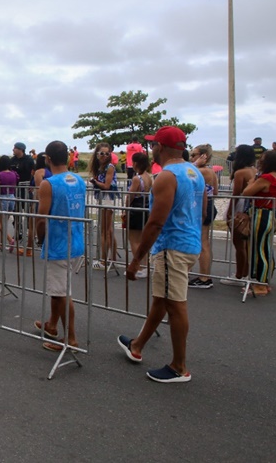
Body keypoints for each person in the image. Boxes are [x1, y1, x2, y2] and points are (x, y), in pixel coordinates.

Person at [119, 126, 205, 383]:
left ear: (163, 147)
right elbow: (198, 212)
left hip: (172, 247)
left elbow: (155, 222)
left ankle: (179, 366)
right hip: (189, 244)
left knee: (175, 305)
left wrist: (136, 260)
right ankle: (137, 345)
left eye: (154, 144)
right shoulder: (194, 173)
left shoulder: (166, 177)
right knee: (162, 299)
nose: (151, 149)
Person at [34, 141, 85, 351]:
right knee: (59, 290)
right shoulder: (80, 180)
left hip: (59, 244)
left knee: (62, 293)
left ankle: (71, 339)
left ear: (48, 159)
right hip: (77, 242)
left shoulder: (49, 184)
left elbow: (40, 218)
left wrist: (39, 238)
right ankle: (52, 325)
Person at [242, 150, 276, 296]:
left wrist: (251, 181)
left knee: (258, 250)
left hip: (261, 214)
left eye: (263, 159)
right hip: (272, 215)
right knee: (266, 249)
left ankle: (260, 285)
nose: (260, 161)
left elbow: (246, 192)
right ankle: (265, 282)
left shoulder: (265, 178)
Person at [221, 145, 257, 285]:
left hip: (240, 207)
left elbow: (235, 195)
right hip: (250, 207)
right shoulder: (254, 170)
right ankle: (244, 273)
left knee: (238, 243)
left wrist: (230, 211)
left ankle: (239, 275)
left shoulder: (240, 173)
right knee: (245, 242)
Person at [188, 144, 218, 288]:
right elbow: (216, 192)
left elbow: (185, 175)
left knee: (203, 242)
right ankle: (204, 275)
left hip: (202, 207)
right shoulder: (210, 172)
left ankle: (205, 277)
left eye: (194, 155)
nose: (191, 158)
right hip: (206, 205)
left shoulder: (201, 171)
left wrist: (194, 164)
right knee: (202, 241)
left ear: (203, 156)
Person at [89, 142, 118, 270]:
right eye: (102, 153)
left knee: (104, 231)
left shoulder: (109, 167)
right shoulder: (100, 167)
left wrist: (94, 182)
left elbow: (106, 185)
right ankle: (111, 260)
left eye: (107, 153)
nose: (104, 156)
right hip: (103, 198)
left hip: (107, 199)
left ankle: (104, 260)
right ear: (97, 154)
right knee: (108, 230)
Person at [123, 153, 152, 278]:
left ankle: (139, 266)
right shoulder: (148, 177)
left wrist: (125, 209)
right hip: (145, 208)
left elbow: (131, 195)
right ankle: (145, 265)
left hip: (136, 209)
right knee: (141, 240)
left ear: (135, 163)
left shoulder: (137, 178)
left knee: (134, 240)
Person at [0, 155, 18, 251]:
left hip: (2, 198)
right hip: (12, 197)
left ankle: (10, 240)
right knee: (4, 222)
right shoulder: (14, 174)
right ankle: (2, 244)